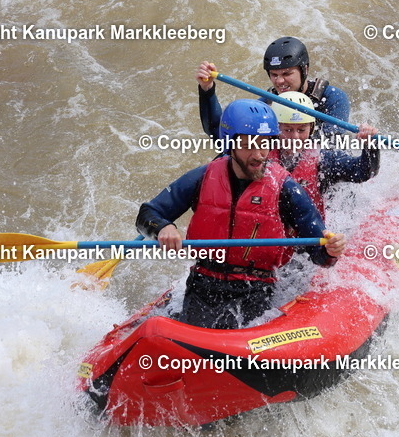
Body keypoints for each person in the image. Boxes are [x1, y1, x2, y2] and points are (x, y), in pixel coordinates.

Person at [136, 99, 346, 330]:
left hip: (255, 290)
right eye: (248, 146)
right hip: (203, 284)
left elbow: (319, 250)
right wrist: (163, 227)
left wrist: (330, 250)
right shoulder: (203, 176)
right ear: (230, 144)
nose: (258, 154)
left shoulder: (286, 188)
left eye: (264, 144)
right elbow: (149, 213)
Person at [197, 36, 350, 139]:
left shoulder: (332, 98)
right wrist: (207, 89)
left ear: (305, 70)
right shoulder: (266, 105)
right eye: (274, 75)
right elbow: (219, 135)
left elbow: (331, 142)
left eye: (287, 73)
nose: (280, 81)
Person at [270, 90, 381, 218]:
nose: (295, 137)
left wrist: (370, 146)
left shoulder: (323, 158)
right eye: (288, 130)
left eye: (301, 130)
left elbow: (364, 172)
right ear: (275, 128)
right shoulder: (261, 154)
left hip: (309, 227)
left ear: (311, 128)